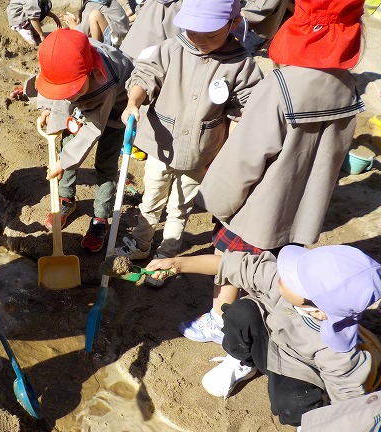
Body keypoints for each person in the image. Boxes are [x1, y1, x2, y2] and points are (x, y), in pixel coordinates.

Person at [180, 0, 367, 344]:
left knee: (230, 258)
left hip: (260, 204)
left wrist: (216, 201)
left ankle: (220, 316)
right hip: (303, 205)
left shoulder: (282, 86)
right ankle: (265, 313)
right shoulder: (347, 86)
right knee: (276, 264)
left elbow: (245, 157)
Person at [148, 244, 381, 429]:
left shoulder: (335, 351)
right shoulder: (278, 280)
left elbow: (348, 401)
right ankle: (243, 361)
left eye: (295, 278)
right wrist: (177, 264)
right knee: (240, 313)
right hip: (266, 334)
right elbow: (231, 265)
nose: (284, 274)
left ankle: (306, 422)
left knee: (293, 406)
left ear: (319, 310)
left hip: (295, 367)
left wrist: (338, 431)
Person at [113, 0, 263, 288]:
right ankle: (141, 242)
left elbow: (243, 110)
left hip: (201, 152)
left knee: (180, 205)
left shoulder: (241, 64)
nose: (201, 42)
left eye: (211, 35)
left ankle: (167, 255)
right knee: (151, 197)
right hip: (161, 144)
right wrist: (133, 101)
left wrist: (228, 153)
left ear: (232, 24)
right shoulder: (172, 49)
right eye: (195, 33)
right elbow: (145, 74)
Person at [32, 28, 134, 253]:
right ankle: (66, 199)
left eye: (71, 91)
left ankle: (100, 218)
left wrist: (64, 161)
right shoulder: (62, 57)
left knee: (105, 164)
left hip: (117, 109)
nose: (67, 96)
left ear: (91, 72)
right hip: (86, 96)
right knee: (67, 143)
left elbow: (93, 128)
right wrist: (49, 106)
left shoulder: (104, 81)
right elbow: (49, 79)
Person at [62, 0, 130, 48]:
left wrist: (74, 26)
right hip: (123, 37)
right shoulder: (105, 1)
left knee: (94, 15)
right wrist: (78, 22)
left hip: (115, 41)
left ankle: (97, 50)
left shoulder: (92, 4)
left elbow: (83, 32)